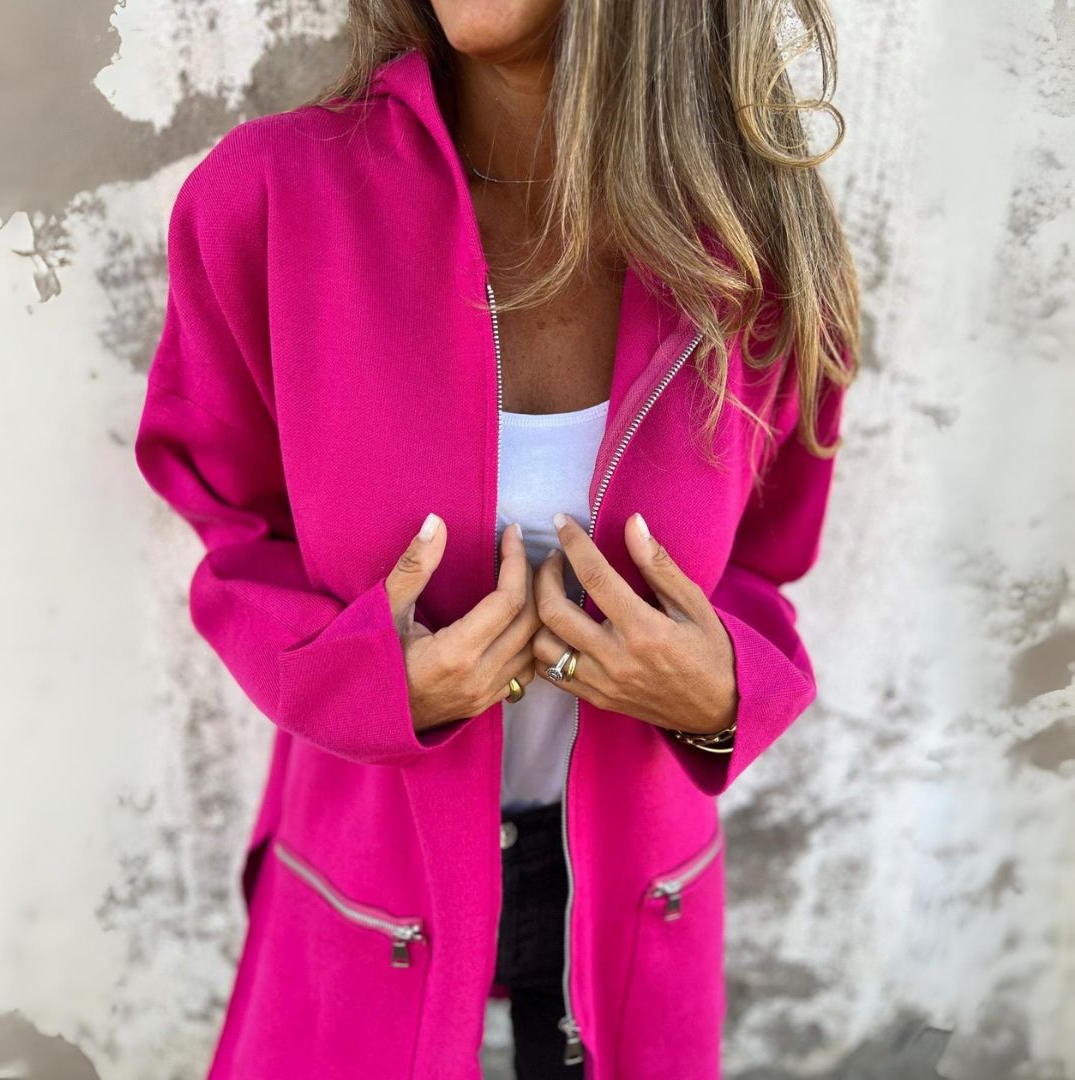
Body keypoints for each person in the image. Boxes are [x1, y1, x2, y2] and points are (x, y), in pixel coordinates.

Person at [133, 1, 859, 1076]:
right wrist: (364, 683)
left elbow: (764, 562)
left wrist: (723, 699)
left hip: (638, 890)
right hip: (368, 878)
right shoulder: (272, 198)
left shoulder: (760, 243)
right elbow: (229, 521)